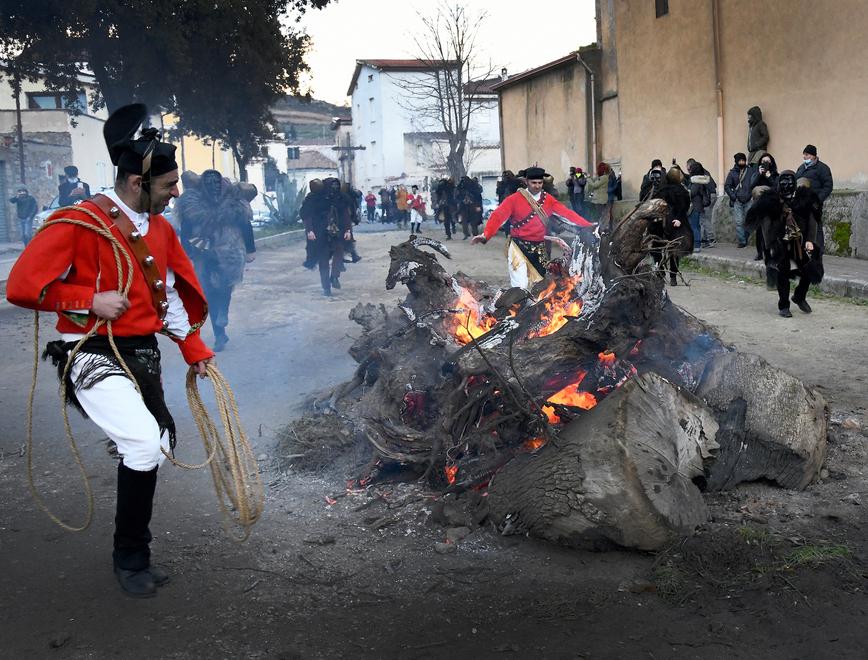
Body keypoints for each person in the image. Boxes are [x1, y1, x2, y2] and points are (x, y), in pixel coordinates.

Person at [6, 103, 213, 598]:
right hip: (88, 349)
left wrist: (193, 349)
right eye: (169, 185)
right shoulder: (77, 221)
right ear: (138, 183)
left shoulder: (159, 229)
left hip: (140, 352)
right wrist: (86, 299)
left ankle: (128, 447)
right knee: (144, 445)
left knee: (157, 446)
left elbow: (166, 296)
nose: (177, 193)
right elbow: (19, 287)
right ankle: (130, 558)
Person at [470, 166, 594, 289]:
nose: (537, 186)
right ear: (526, 182)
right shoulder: (513, 199)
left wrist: (588, 226)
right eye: (533, 183)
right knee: (520, 286)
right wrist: (486, 234)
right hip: (518, 247)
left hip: (539, 248)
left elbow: (567, 214)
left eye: (540, 183)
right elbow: (498, 216)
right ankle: (518, 307)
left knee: (540, 287)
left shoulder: (548, 200)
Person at [176, 170, 256, 352]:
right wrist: (187, 252)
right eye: (209, 183)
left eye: (216, 183)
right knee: (209, 292)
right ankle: (219, 334)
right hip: (203, 252)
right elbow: (186, 229)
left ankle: (223, 312)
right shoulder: (192, 204)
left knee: (226, 286)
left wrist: (251, 249)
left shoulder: (234, 203)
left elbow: (245, 224)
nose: (213, 186)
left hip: (230, 251)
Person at [747, 171, 823, 317]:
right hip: (780, 242)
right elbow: (766, 225)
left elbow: (812, 221)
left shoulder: (804, 200)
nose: (786, 187)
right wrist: (770, 246)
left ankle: (799, 296)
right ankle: (784, 306)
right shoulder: (771, 201)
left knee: (811, 269)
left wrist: (810, 240)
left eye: (789, 184)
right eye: (784, 184)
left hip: (800, 242)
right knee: (783, 272)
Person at [300, 177, 353, 296]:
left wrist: (348, 230)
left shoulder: (341, 199)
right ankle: (326, 287)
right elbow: (308, 215)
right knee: (323, 260)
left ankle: (334, 276)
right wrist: (310, 231)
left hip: (337, 232)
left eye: (336, 186)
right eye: (332, 186)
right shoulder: (315, 199)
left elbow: (345, 216)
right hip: (320, 233)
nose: (334, 188)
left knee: (339, 252)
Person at [651, 166, 693, 286]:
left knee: (662, 249)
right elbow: (684, 207)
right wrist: (679, 219)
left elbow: (682, 207)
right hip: (672, 223)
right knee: (670, 250)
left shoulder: (663, 190)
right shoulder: (680, 191)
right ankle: (667, 275)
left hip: (666, 223)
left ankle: (666, 274)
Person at [795, 144, 833, 253]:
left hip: (814, 202)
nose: (804, 157)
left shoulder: (823, 168)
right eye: (804, 155)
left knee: (816, 226)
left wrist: (817, 200)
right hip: (801, 203)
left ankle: (819, 250)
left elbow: (828, 186)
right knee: (803, 226)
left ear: (813, 155)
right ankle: (805, 248)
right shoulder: (801, 168)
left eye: (806, 155)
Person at [750, 152, 780, 265]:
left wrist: (769, 176)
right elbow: (751, 187)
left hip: (771, 206)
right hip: (759, 206)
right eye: (763, 162)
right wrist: (759, 175)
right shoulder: (755, 174)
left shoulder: (775, 175)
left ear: (771, 163)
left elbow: (776, 188)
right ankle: (759, 252)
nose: (765, 164)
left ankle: (770, 251)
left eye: (767, 161)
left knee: (769, 229)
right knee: (759, 231)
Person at [724, 153, 754, 248]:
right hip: (737, 201)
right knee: (739, 221)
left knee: (749, 220)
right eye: (740, 161)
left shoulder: (750, 171)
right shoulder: (732, 173)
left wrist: (752, 194)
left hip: (749, 199)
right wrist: (733, 196)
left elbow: (755, 182)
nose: (742, 162)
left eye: (743, 160)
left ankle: (746, 236)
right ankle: (742, 241)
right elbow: (727, 186)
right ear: (736, 161)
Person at [687, 161, 711, 253]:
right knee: (696, 226)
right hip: (697, 206)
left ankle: (696, 245)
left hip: (695, 207)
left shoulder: (696, 181)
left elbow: (692, 193)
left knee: (694, 226)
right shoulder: (700, 180)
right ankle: (696, 244)